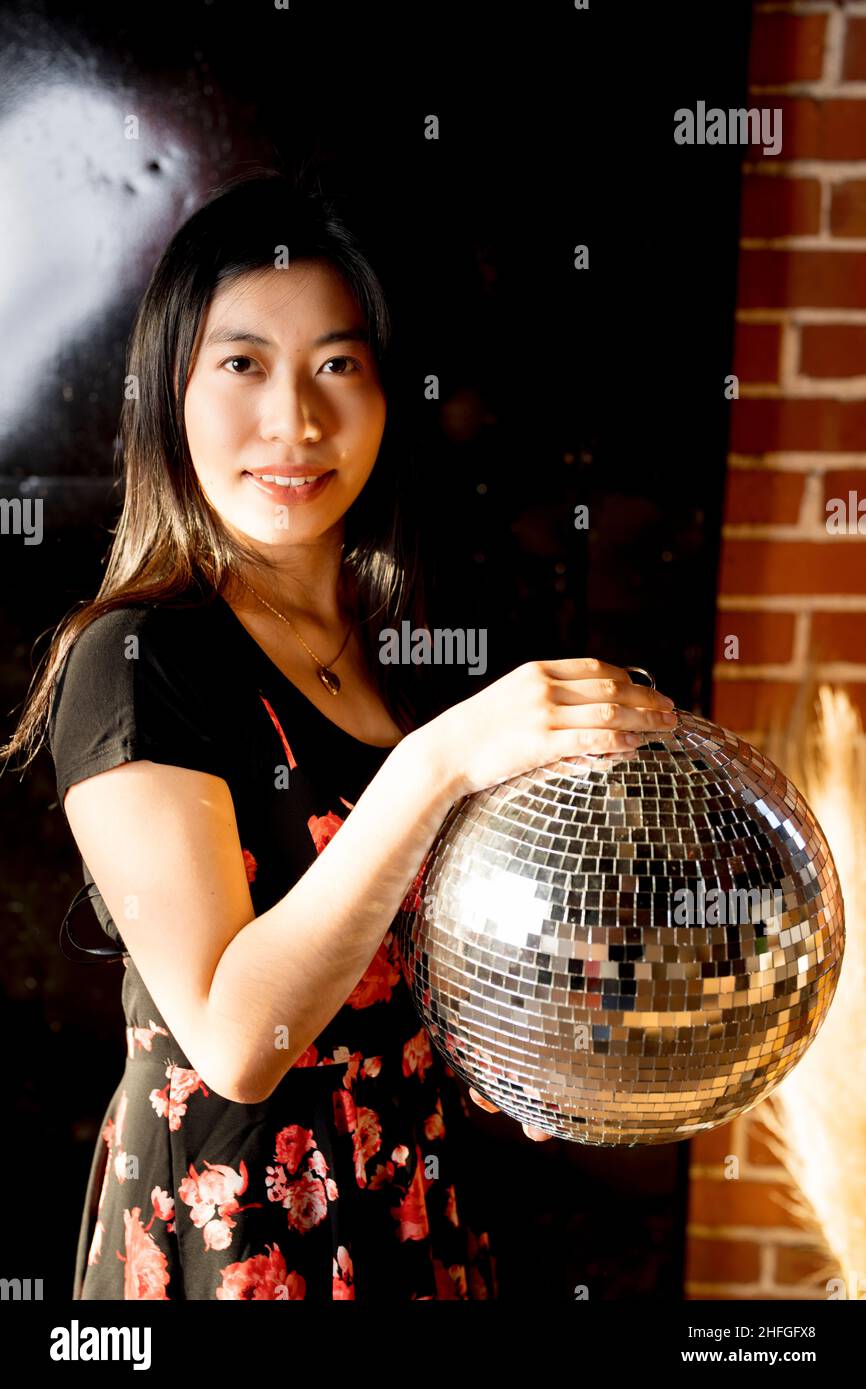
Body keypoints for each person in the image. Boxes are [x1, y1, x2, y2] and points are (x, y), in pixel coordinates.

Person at [0, 170, 679, 1301]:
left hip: (412, 1210)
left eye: (337, 365)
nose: (294, 423)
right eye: (242, 363)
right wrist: (436, 762)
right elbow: (236, 1036)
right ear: (170, 386)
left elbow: (432, 956)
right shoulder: (133, 659)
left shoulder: (403, 641)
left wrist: (522, 1052)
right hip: (240, 1245)